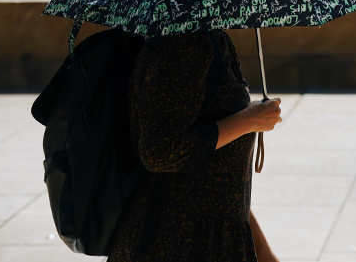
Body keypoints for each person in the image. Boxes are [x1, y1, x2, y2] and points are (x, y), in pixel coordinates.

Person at [107, 29, 283, 262]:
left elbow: (217, 179)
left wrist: (264, 254)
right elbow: (160, 151)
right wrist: (247, 120)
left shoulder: (211, 37)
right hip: (178, 241)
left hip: (209, 235)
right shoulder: (183, 43)